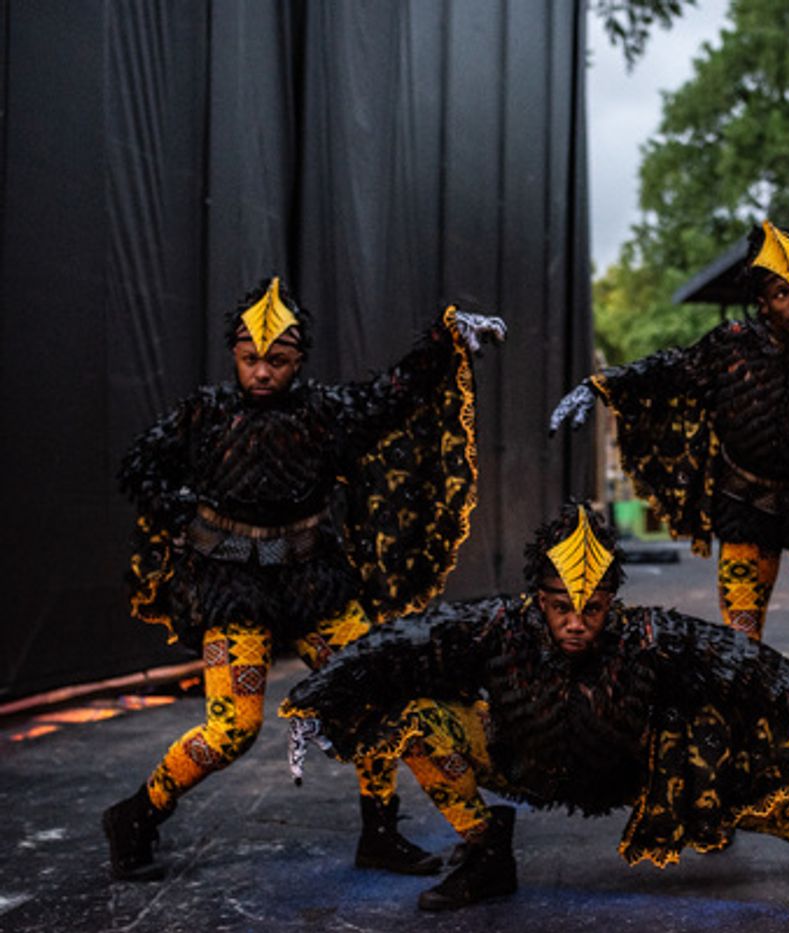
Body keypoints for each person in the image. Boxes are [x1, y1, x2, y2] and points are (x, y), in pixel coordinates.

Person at [280, 503, 789, 911]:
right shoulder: (496, 624)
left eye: (591, 607)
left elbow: (749, 662)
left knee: (770, 805)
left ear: (612, 601)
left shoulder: (652, 635)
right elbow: (407, 641)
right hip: (523, 758)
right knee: (417, 720)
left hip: (636, 772)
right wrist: (322, 691)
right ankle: (487, 851)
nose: (576, 624)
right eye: (561, 608)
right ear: (538, 599)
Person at [101, 277, 506, 881]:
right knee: (233, 727)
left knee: (377, 699)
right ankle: (136, 815)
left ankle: (380, 832)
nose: (262, 372)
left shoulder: (325, 414)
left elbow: (390, 394)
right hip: (230, 591)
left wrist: (443, 343)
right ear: (234, 356)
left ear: (299, 361)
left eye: (278, 360)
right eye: (250, 359)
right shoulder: (204, 414)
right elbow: (140, 464)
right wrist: (183, 512)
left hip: (316, 585)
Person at [550, 221, 789, 829]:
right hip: (744, 510)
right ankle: (726, 788)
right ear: (761, 302)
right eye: (782, 292)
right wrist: (603, 385)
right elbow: (671, 370)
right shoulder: (728, 348)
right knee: (739, 650)